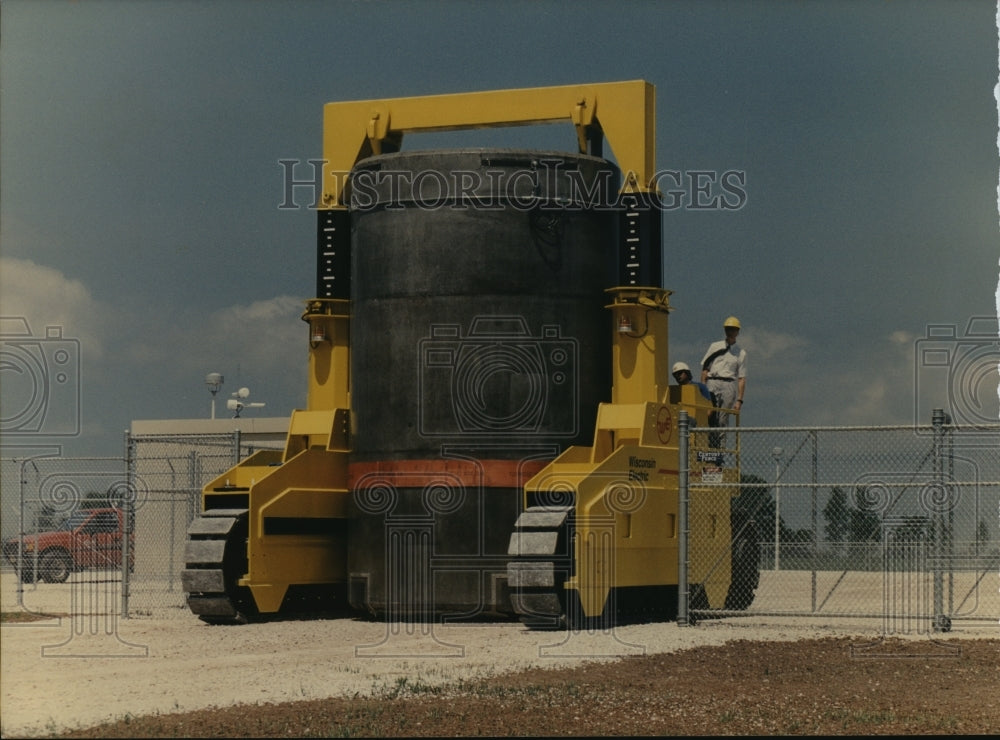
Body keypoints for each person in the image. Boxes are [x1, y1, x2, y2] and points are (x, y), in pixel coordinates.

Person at [700, 316, 746, 446]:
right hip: (712, 381)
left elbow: (741, 378)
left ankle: (720, 450)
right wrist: (703, 388)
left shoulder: (740, 352)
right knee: (709, 416)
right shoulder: (715, 346)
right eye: (728, 329)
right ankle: (707, 446)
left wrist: (739, 400)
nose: (730, 332)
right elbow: (705, 368)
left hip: (728, 384)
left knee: (722, 419)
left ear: (737, 332)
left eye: (733, 329)